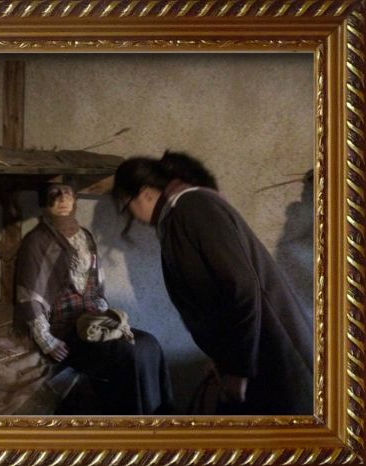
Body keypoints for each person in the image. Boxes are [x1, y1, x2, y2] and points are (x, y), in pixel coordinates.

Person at [111, 151, 314, 415]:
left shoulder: (193, 208)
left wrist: (238, 368)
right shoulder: (181, 214)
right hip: (253, 354)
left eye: (127, 206)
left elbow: (241, 287)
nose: (133, 217)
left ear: (146, 194)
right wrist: (222, 360)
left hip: (268, 350)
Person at [13, 182, 173, 415]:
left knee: (148, 344)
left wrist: (105, 316)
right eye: (54, 194)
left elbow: (96, 286)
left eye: (67, 193)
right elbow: (28, 295)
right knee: (129, 354)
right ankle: (135, 424)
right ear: (44, 202)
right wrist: (46, 340)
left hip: (90, 323)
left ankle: (161, 418)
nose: (62, 199)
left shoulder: (85, 237)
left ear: (75, 199)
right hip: (65, 330)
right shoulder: (35, 241)